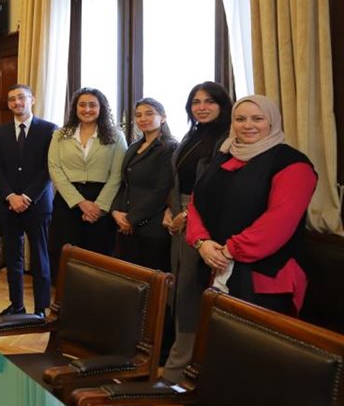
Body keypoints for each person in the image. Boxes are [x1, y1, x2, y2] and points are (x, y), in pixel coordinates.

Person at [186, 95, 317, 316]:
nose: (248, 125)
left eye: (257, 119)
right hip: (213, 267)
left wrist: (230, 250)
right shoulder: (224, 156)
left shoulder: (293, 163)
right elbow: (196, 201)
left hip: (265, 280)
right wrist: (201, 242)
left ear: (272, 122)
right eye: (240, 119)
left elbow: (279, 221)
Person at [159, 81, 232, 383]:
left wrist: (188, 214)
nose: (201, 107)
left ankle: (179, 371)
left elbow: (220, 188)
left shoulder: (228, 139)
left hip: (205, 222)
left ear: (222, 105)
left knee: (191, 290)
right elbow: (175, 179)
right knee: (178, 289)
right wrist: (171, 210)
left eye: (209, 101)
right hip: (178, 216)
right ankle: (181, 364)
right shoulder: (191, 135)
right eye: (195, 102)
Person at [0, 84, 58, 316]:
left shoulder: (49, 130)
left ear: (32, 100)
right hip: (8, 205)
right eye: (12, 99)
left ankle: (41, 308)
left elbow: (49, 168)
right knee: (13, 258)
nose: (16, 102)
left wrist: (27, 197)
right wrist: (10, 195)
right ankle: (16, 305)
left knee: (40, 258)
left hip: (37, 205)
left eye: (21, 97)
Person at [47, 87, 126, 267]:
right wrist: (80, 202)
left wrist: (99, 207)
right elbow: (55, 169)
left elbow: (117, 174)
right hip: (67, 201)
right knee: (63, 257)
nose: (87, 109)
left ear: (101, 108)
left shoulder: (116, 136)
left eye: (92, 105)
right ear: (75, 108)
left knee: (97, 258)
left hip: (101, 202)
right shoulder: (60, 135)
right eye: (82, 105)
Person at [111, 98, 177, 271]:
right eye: (138, 115)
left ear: (163, 117)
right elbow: (124, 183)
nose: (143, 119)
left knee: (150, 279)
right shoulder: (134, 146)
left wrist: (131, 219)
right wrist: (116, 212)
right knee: (125, 277)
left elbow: (162, 191)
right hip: (126, 224)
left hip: (152, 227)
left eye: (149, 114)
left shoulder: (169, 148)